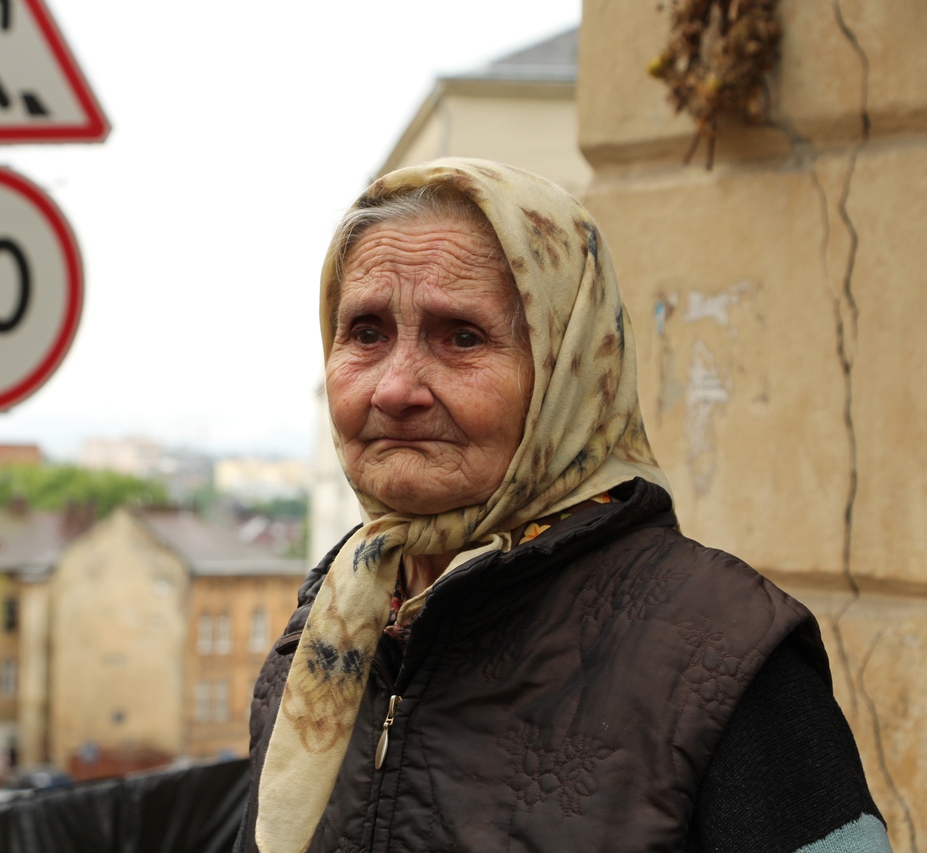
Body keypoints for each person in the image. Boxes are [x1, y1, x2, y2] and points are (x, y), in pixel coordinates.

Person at [239, 159, 889, 852]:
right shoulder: (327, 626)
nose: (396, 388)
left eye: (461, 335)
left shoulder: (727, 657)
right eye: (366, 332)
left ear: (569, 372)